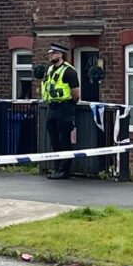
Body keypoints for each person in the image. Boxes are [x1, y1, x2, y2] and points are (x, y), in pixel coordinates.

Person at [41, 43, 80, 179]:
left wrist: (70, 106)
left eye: (53, 53)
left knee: (64, 140)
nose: (50, 55)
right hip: (52, 107)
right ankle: (57, 168)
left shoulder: (69, 71)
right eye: (50, 53)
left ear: (60, 55)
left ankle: (64, 170)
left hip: (65, 107)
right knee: (54, 140)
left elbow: (76, 94)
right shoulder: (50, 70)